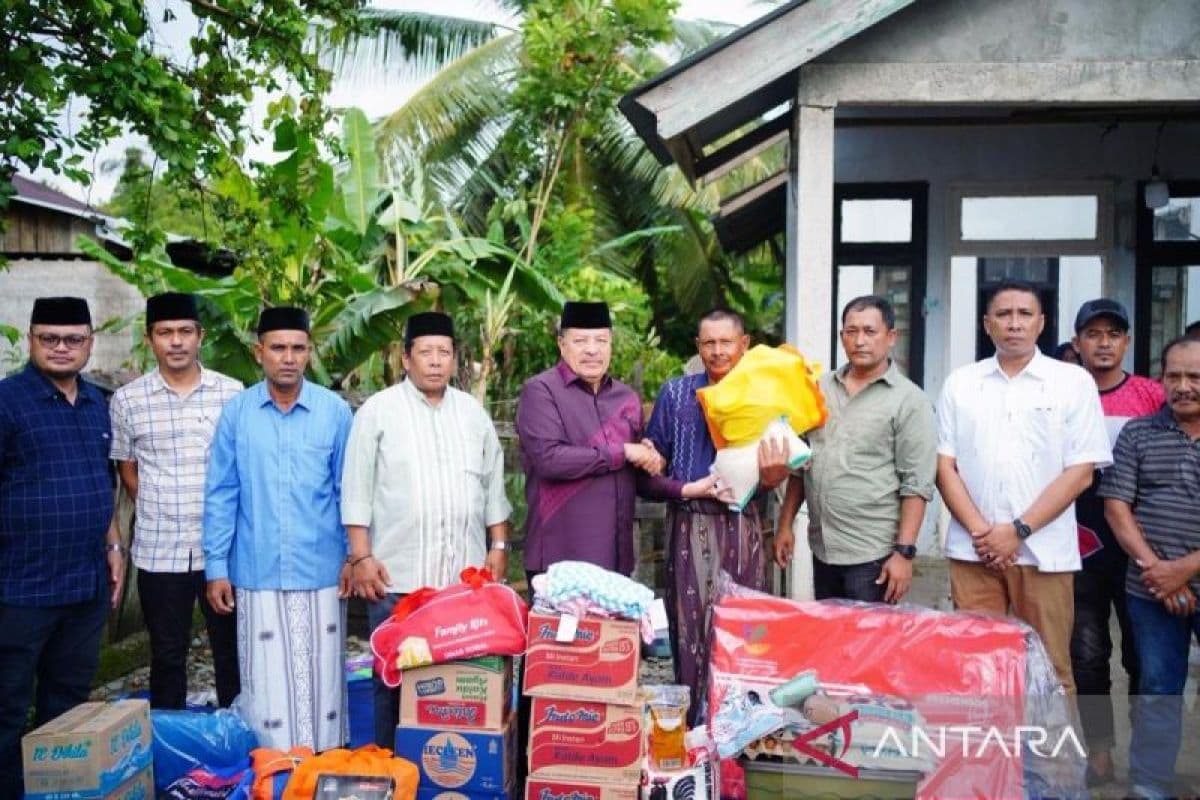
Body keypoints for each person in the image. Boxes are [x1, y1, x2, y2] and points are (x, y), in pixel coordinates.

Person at [341, 311, 513, 747]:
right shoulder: (378, 412)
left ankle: (449, 774)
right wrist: (361, 557)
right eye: (425, 353)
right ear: (405, 359)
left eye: (444, 353)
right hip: (397, 579)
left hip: (461, 583)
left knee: (458, 681)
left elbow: (493, 484)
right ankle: (389, 768)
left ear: (455, 360)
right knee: (393, 680)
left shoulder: (472, 413)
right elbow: (356, 487)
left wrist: (498, 544)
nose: (435, 362)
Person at [935, 279, 1110, 694]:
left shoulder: (1072, 382)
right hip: (973, 552)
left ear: (1041, 322)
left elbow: (1081, 472)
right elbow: (944, 466)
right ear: (987, 324)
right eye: (1003, 314)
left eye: (1024, 314)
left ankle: (1053, 762)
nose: (1014, 323)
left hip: (1045, 554)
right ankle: (989, 761)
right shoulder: (961, 382)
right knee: (979, 675)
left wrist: (1016, 531)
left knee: (1049, 673)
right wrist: (985, 534)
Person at [203, 306, 353, 751]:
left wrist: (352, 555)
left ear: (309, 352)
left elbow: (349, 490)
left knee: (322, 679)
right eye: (278, 348)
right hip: (257, 569)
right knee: (265, 683)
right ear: (259, 352)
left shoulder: (335, 412)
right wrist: (216, 567)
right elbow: (221, 491)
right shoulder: (237, 414)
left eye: (298, 348)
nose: (288, 357)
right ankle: (271, 771)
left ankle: (324, 766)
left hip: (323, 570)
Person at [0, 298, 126, 797]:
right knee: (8, 705)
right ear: (30, 339)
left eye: (73, 339)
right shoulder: (7, 402)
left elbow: (103, 482)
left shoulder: (98, 402)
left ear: (89, 343)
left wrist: (114, 544)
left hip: (84, 584)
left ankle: (58, 790)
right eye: (49, 338)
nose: (61, 348)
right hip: (19, 586)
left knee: (69, 701)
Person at [644, 308, 789, 725]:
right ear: (698, 347)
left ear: (744, 345)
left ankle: (741, 732)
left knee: (745, 631)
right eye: (708, 343)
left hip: (742, 528)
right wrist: (673, 479)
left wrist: (774, 475)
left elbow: (782, 468)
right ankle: (692, 733)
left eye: (726, 342)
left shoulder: (765, 395)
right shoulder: (675, 395)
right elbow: (651, 474)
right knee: (688, 635)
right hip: (687, 527)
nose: (718, 351)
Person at [109, 293, 243, 710]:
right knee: (167, 656)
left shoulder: (231, 394)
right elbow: (127, 469)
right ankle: (171, 743)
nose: (176, 342)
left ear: (200, 336)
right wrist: (159, 504)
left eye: (185, 331)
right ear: (150, 339)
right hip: (158, 549)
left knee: (230, 653)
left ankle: (235, 740)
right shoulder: (128, 400)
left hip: (221, 550)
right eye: (165, 333)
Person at [775, 295, 937, 604]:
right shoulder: (818, 390)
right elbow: (800, 464)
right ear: (841, 337)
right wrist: (785, 526)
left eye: (869, 331)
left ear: (891, 337)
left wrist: (904, 554)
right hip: (823, 548)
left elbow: (916, 484)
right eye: (851, 331)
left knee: (870, 647)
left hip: (874, 555)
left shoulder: (909, 401)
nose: (859, 340)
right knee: (831, 641)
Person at [1098, 336, 1200, 800]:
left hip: (1178, 577)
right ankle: (1149, 783)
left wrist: (1185, 569)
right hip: (1150, 587)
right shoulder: (1138, 433)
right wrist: (1156, 569)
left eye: (1195, 377)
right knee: (1158, 686)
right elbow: (1118, 508)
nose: (1183, 386)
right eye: (1173, 376)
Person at [1068, 298, 1164, 785]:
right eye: (1094, 334)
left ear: (1127, 342)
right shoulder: (1064, 392)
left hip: (1142, 545)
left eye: (1114, 334)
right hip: (1079, 546)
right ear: (1077, 343)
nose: (1104, 343)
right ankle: (1099, 753)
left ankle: (1147, 759)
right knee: (1087, 656)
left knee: (1144, 659)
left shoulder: (1153, 395)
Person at [515, 301, 667, 579]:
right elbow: (550, 460)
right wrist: (623, 452)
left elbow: (639, 474)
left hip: (616, 563)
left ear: (610, 344)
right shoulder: (540, 391)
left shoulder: (626, 398)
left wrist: (658, 464)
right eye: (580, 341)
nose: (592, 350)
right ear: (562, 345)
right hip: (560, 562)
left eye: (601, 340)